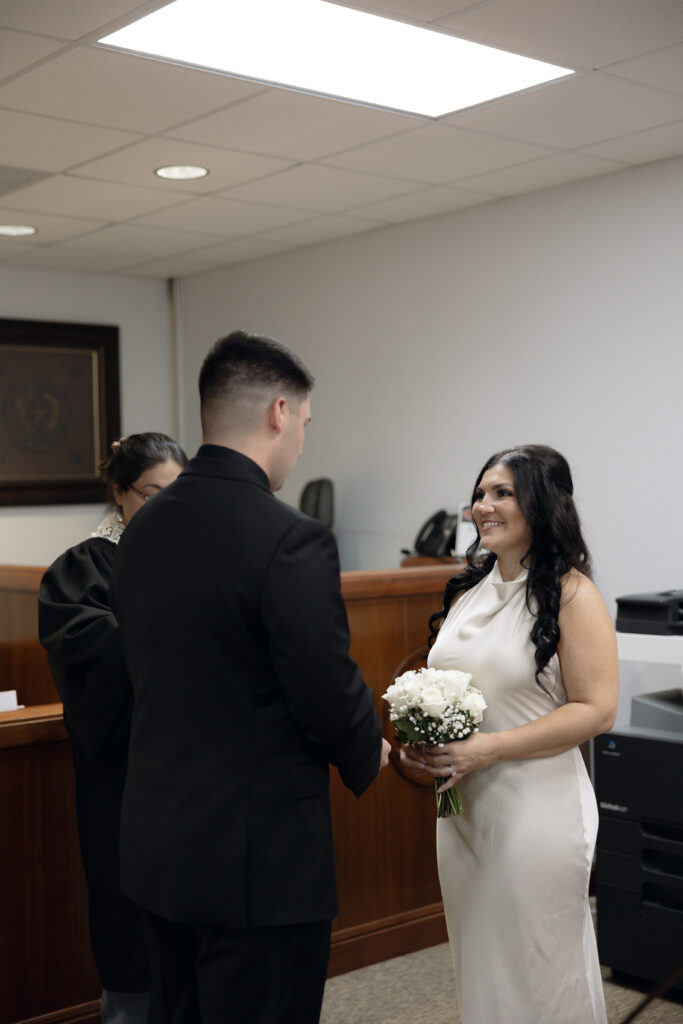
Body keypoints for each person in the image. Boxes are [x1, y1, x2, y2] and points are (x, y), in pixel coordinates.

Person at [110, 330, 390, 1024]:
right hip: (257, 865)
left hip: (159, 848)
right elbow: (322, 683)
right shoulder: (287, 535)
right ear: (278, 412)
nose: (301, 440)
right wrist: (371, 752)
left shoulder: (140, 531)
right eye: (304, 422)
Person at [402, 444, 618, 1024]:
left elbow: (597, 711)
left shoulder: (573, 594)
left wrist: (486, 748)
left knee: (539, 967)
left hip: (536, 809)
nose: (483, 507)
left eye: (503, 493)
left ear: (542, 506)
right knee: (483, 963)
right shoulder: (469, 591)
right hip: (464, 808)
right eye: (479, 494)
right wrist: (427, 739)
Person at [39, 433, 187, 1024]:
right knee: (130, 924)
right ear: (121, 493)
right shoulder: (84, 566)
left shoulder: (196, 557)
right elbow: (88, 648)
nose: (165, 506)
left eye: (178, 493)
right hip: (123, 773)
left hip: (192, 772)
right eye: (152, 493)